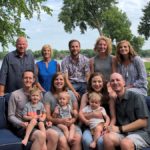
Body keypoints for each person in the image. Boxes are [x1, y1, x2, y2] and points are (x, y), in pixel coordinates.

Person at [103, 73, 150, 150]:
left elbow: (143, 121)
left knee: (125, 143)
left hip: (142, 133)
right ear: (110, 85)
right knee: (107, 138)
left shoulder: (136, 97)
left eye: (118, 80)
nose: (115, 82)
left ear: (124, 83)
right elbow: (113, 118)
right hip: (125, 133)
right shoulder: (115, 100)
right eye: (112, 81)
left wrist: (120, 129)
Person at [8, 70, 47, 150]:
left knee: (54, 135)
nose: (28, 80)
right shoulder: (15, 95)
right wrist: (21, 123)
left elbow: (41, 111)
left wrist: (45, 121)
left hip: (37, 124)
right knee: (40, 136)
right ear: (22, 79)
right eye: (26, 78)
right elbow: (10, 116)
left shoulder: (38, 94)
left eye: (30, 78)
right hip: (22, 127)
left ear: (33, 80)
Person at [43, 72, 82, 150]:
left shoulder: (70, 94)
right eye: (56, 79)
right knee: (62, 141)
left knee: (77, 139)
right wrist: (60, 120)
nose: (59, 81)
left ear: (64, 82)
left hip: (70, 123)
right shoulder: (48, 95)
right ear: (53, 82)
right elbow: (47, 117)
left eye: (61, 79)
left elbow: (75, 112)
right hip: (55, 125)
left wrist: (72, 120)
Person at [79, 72, 116, 150]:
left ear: (103, 83)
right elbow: (81, 114)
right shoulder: (86, 96)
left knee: (101, 141)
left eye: (99, 81)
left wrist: (108, 128)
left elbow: (113, 117)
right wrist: (93, 115)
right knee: (86, 141)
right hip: (89, 127)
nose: (97, 84)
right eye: (94, 81)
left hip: (103, 127)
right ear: (90, 83)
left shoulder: (109, 96)